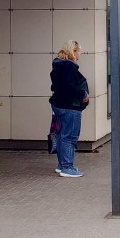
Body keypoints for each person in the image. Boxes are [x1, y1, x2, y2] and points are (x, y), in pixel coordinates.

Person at [49, 40, 89, 178]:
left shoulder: (58, 65)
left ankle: (62, 165)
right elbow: (69, 87)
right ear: (73, 51)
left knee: (62, 135)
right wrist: (83, 94)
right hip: (69, 106)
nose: (80, 54)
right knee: (69, 136)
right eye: (79, 51)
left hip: (58, 104)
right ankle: (67, 167)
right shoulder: (69, 67)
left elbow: (56, 86)